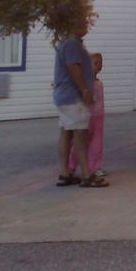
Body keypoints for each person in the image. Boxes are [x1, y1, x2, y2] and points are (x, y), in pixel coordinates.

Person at [53, 24, 108, 188]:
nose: (85, 25)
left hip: (64, 96)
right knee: (80, 135)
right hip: (73, 97)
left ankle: (65, 173)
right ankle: (86, 175)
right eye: (81, 20)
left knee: (66, 132)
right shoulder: (71, 43)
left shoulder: (68, 42)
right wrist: (84, 89)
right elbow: (73, 68)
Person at [69, 52, 107, 178]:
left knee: (96, 143)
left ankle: (93, 167)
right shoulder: (84, 84)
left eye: (100, 62)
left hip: (98, 117)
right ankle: (71, 165)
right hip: (86, 116)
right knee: (80, 142)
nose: (99, 65)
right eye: (95, 63)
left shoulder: (98, 83)